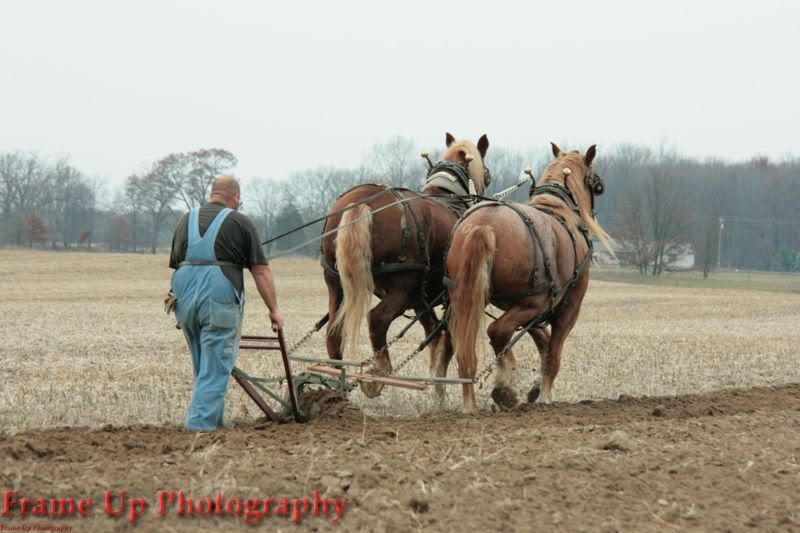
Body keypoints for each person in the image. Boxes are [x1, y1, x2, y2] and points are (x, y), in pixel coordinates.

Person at [169, 175, 284, 431]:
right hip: (217, 298)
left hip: (184, 297)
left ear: (213, 194)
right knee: (215, 367)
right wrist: (274, 310)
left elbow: (176, 263)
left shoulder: (184, 220)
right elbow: (261, 271)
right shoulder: (239, 221)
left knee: (205, 365)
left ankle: (214, 422)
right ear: (236, 198)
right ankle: (200, 428)